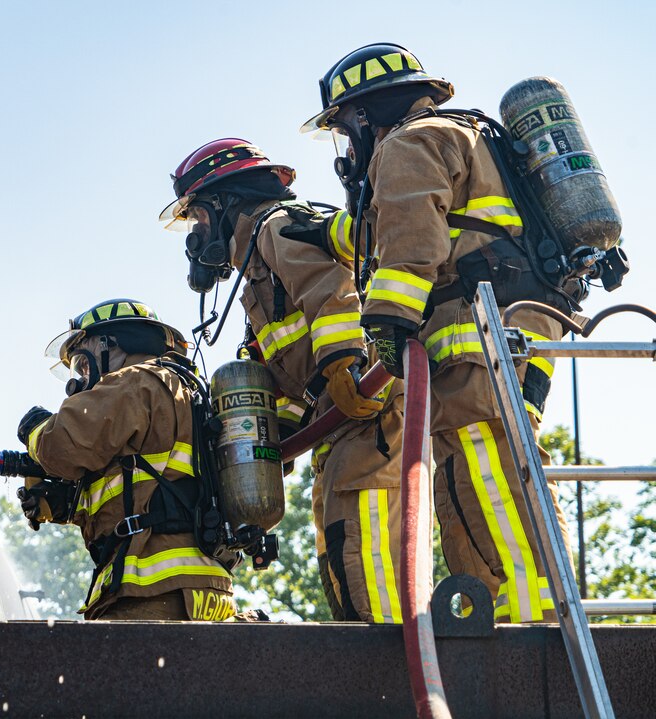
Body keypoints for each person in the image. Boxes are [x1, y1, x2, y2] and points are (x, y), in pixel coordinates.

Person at [303, 43, 570, 623]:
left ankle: (530, 625)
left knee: (482, 474)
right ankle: (514, 613)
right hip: (525, 329)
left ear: (365, 114)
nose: (348, 146)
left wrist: (387, 323)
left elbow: (411, 238)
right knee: (488, 468)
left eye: (345, 128)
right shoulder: (470, 135)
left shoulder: (408, 142)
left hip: (478, 335)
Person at [161, 139, 406, 623]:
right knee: (339, 547)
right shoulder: (256, 279)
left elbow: (330, 291)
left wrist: (344, 364)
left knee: (359, 548)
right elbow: (290, 382)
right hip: (338, 426)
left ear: (224, 203)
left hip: (365, 409)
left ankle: (388, 666)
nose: (195, 236)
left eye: (198, 218)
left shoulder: (275, 226)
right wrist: (265, 452)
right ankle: (374, 658)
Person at [15, 299, 236, 621]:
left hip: (152, 584)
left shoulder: (135, 381)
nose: (82, 377)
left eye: (84, 363)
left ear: (110, 344)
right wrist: (69, 506)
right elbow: (153, 488)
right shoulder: (185, 393)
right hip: (203, 589)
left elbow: (59, 448)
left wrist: (35, 429)